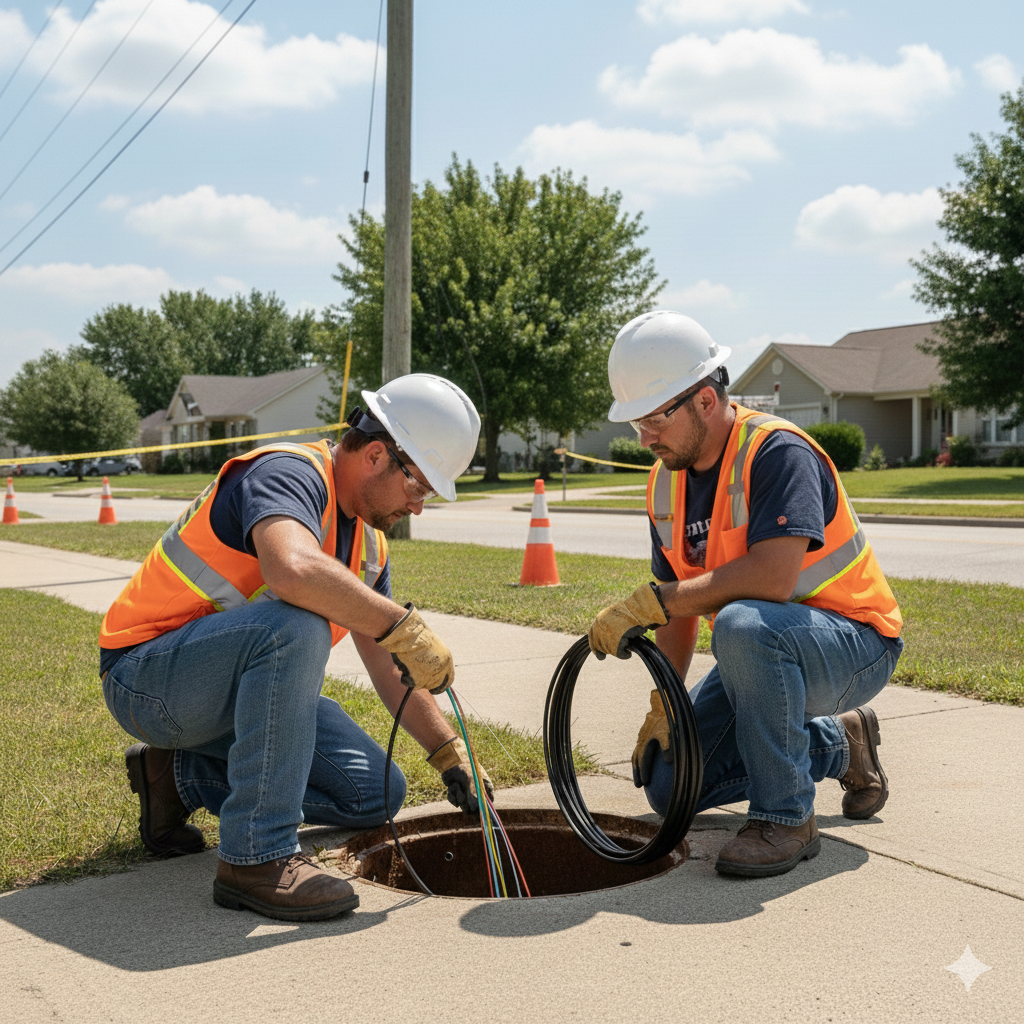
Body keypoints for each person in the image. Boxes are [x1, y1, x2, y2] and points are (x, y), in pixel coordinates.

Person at [99, 373, 494, 920]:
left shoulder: (370, 546)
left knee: (374, 794)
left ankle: (176, 777)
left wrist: (448, 753)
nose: (419, 507)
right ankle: (254, 858)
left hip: (219, 695)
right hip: (145, 678)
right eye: (420, 487)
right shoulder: (288, 472)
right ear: (377, 455)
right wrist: (402, 624)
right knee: (298, 622)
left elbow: (387, 661)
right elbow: (290, 571)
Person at [588, 312, 903, 878]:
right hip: (760, 653)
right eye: (636, 423)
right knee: (669, 786)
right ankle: (841, 742)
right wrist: (667, 704)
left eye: (654, 419)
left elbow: (773, 579)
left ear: (705, 401)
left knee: (741, 623)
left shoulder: (777, 452)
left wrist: (660, 599)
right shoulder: (665, 485)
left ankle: (786, 818)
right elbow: (679, 608)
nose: (645, 438)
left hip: (855, 644)